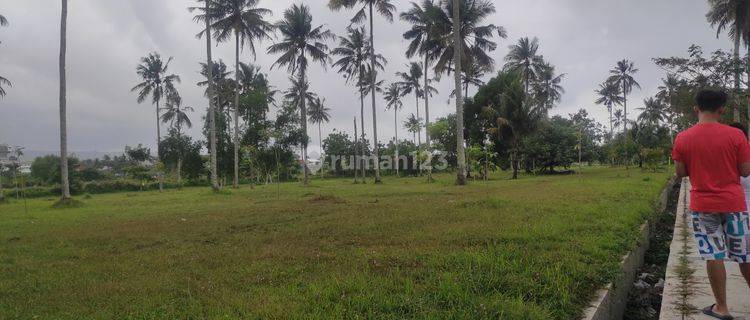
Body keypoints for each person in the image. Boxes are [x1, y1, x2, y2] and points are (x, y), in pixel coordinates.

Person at [672, 89, 750, 320]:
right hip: (734, 205)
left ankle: (722, 308)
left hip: (703, 205)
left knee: (713, 254)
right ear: (722, 110)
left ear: (696, 108)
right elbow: (745, 170)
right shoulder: (737, 137)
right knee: (745, 255)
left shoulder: (683, 138)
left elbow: (680, 173)